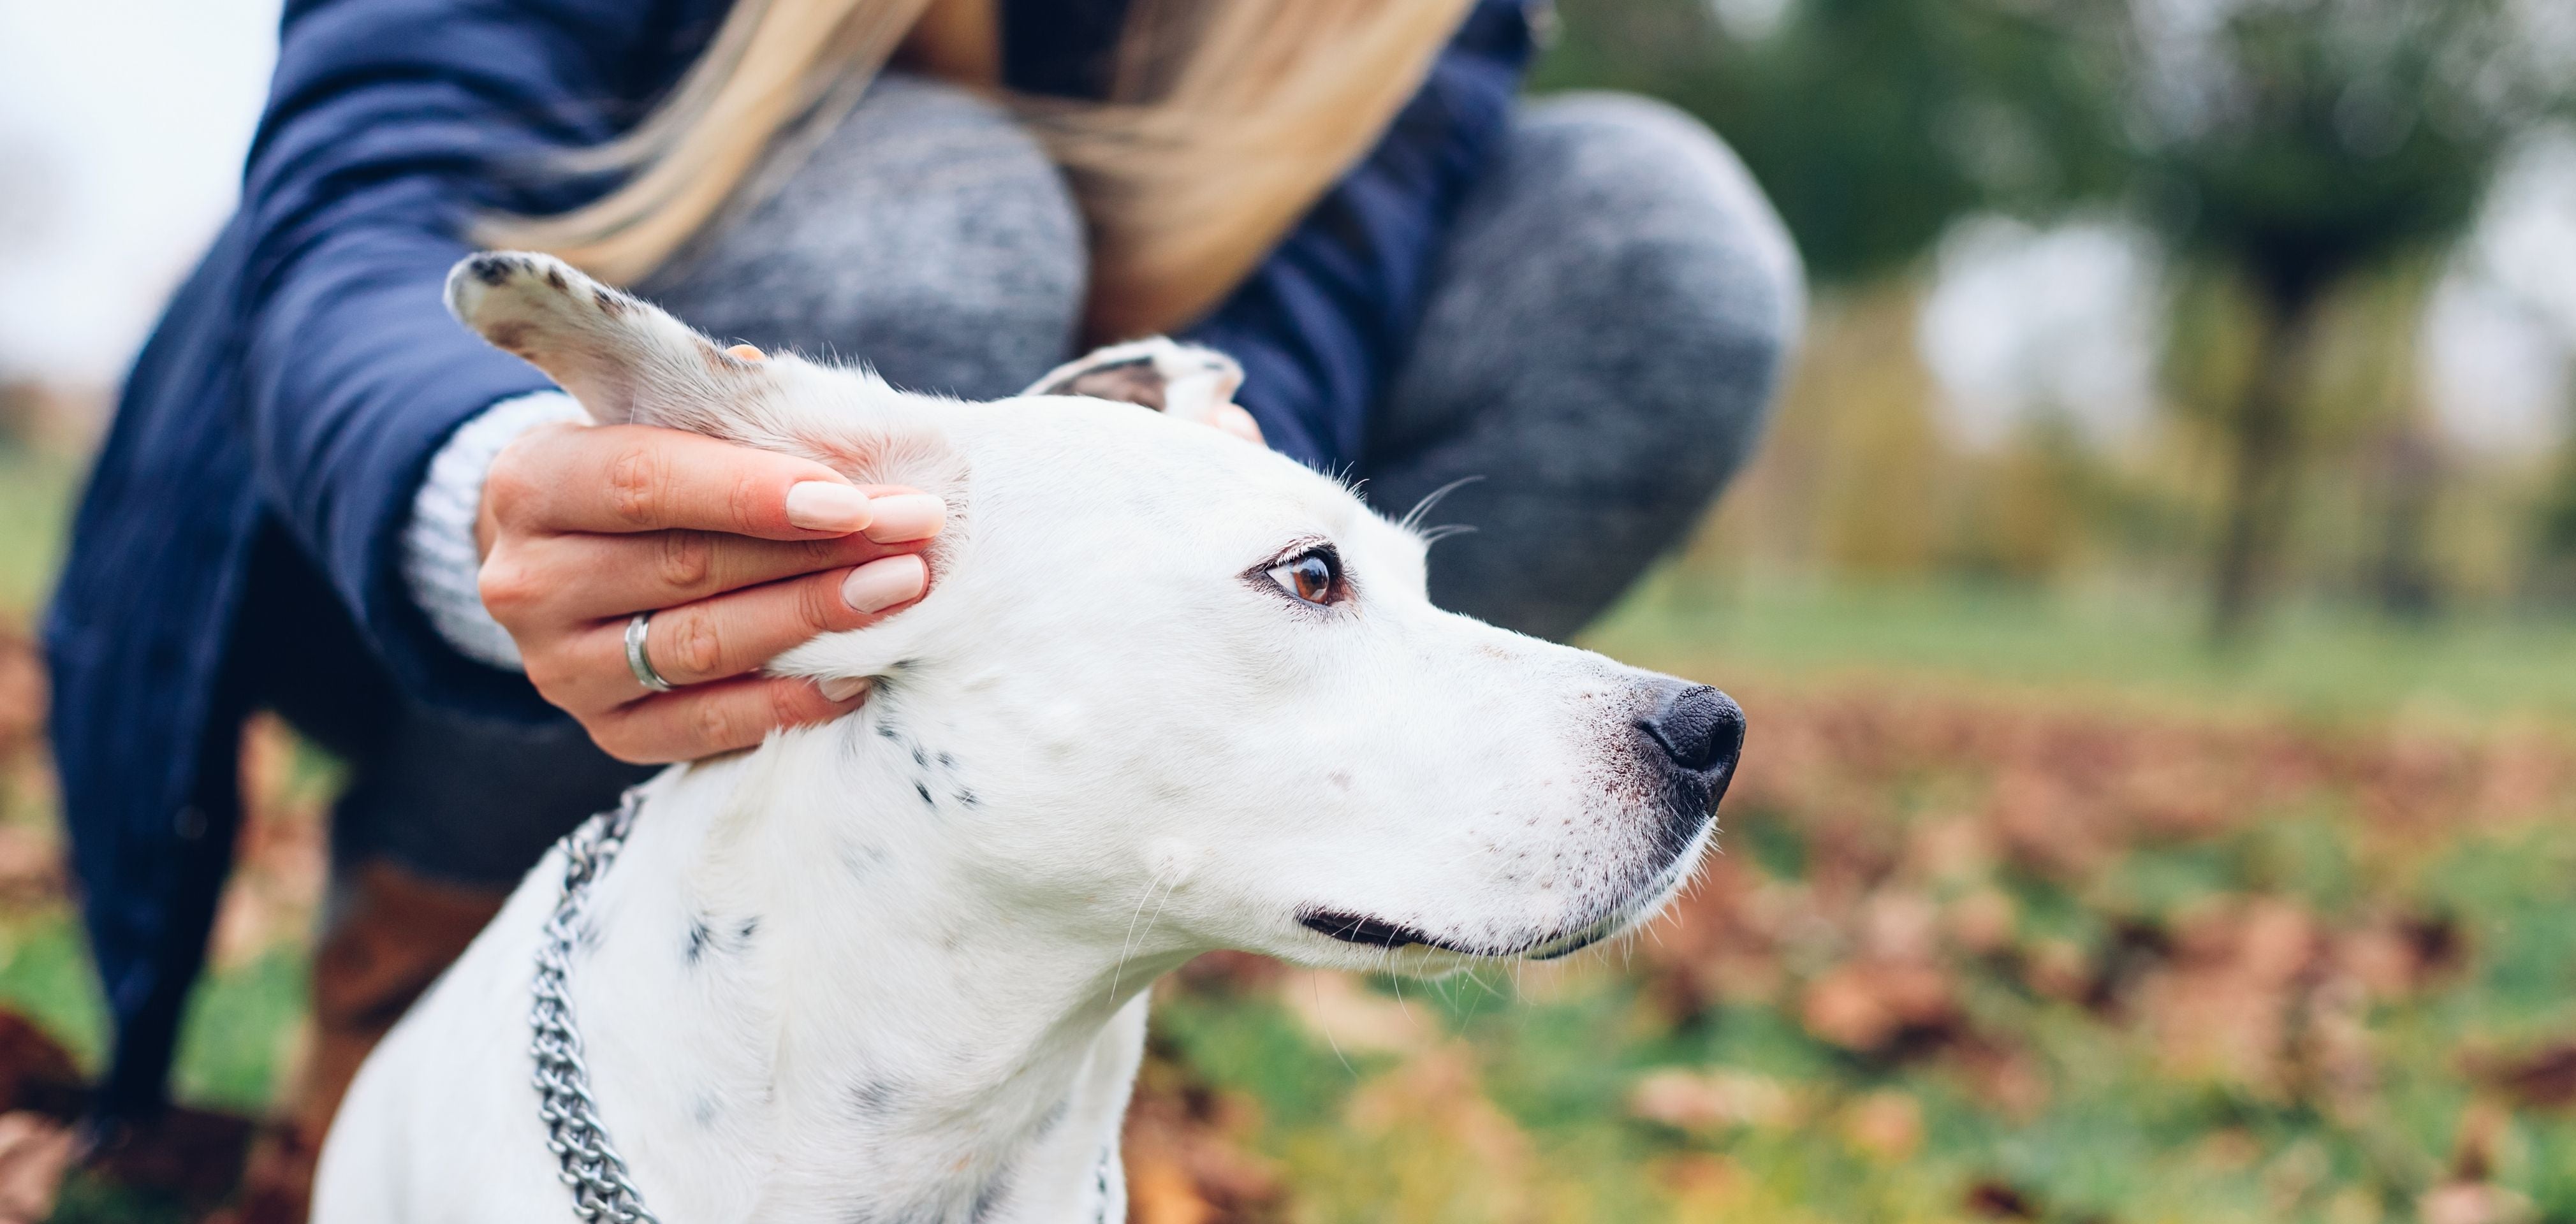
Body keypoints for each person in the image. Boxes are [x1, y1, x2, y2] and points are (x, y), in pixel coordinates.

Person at [45, 0, 1800, 1212]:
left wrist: (1181, 441)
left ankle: (1003, 1005)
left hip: (1040, 556)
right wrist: (477, 491)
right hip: (358, 522)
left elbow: (1319, 300)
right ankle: (428, 949)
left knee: (1662, 240)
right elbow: (371, 188)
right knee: (943, 223)